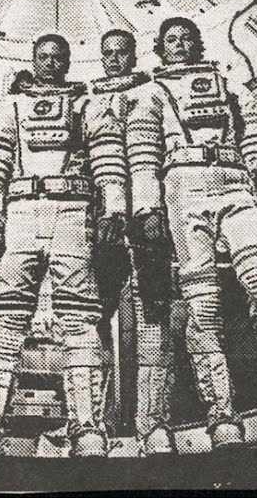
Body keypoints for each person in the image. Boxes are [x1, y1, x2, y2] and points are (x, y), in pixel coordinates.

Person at [127, 17, 257, 449]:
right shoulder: (150, 93)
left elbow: (256, 135)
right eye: (171, 40)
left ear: (198, 44)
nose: (180, 45)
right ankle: (221, 416)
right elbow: (143, 155)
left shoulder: (228, 82)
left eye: (187, 38)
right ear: (160, 48)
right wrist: (148, 208)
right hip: (183, 188)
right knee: (204, 305)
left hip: (236, 184)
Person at [0, 34, 128, 457]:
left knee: (80, 319)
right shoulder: (13, 107)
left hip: (73, 212)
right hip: (20, 214)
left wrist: (113, 211)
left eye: (57, 57)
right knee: (6, 318)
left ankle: (87, 426)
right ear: (33, 60)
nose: (49, 64)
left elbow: (109, 159)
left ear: (67, 62)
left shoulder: (87, 105)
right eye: (42, 57)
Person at [87, 29, 178, 456]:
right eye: (107, 53)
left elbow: (163, 152)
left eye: (121, 53)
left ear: (133, 55)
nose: (114, 60)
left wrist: (152, 209)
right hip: (103, 219)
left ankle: (153, 423)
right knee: (95, 315)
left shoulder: (153, 93)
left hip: (146, 217)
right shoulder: (87, 101)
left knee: (154, 312)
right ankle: (96, 422)